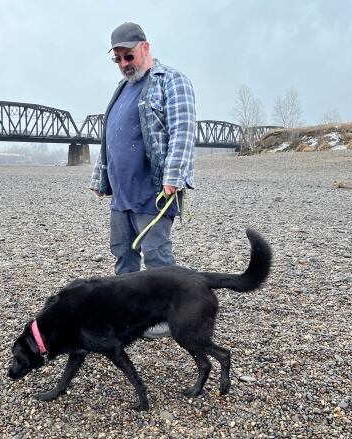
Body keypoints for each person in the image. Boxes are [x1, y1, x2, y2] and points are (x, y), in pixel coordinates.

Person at [89, 22, 196, 338]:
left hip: (154, 191)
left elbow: (183, 131)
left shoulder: (172, 81)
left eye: (129, 56)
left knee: (158, 257)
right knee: (123, 253)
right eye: (118, 59)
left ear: (145, 48)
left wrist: (173, 177)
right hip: (122, 193)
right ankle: (130, 312)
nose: (124, 64)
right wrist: (100, 178)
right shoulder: (122, 89)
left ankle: (167, 314)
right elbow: (110, 138)